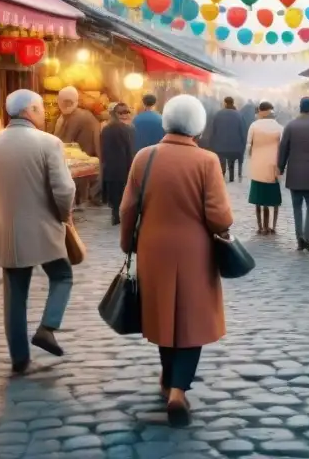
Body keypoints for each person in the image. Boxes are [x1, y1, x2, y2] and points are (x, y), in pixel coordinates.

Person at [119, 95, 234, 427]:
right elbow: (219, 217)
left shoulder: (145, 157)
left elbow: (128, 208)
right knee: (191, 319)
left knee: (162, 313)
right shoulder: (207, 161)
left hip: (153, 247)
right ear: (198, 126)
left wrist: (128, 243)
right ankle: (178, 391)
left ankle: (167, 377)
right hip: (195, 250)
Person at [0, 90, 77, 373]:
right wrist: (63, 215)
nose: (43, 114)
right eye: (41, 109)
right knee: (62, 275)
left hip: (7, 230)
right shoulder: (49, 143)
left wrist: (8, 206)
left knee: (15, 294)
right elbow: (64, 189)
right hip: (44, 226)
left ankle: (19, 359)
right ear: (30, 110)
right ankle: (47, 326)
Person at [278, 96, 309, 252]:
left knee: (297, 206)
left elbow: (283, 148)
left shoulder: (290, 126)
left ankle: (299, 237)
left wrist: (280, 166)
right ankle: (307, 237)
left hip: (295, 172)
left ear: (300, 108)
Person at [53, 86, 100, 208]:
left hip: (81, 160)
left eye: (66, 101)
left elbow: (64, 141)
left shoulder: (77, 117)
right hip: (85, 159)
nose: (63, 104)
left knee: (79, 186)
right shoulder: (74, 115)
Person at [246, 101, 284, 234]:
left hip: (258, 166)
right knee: (274, 199)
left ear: (260, 112)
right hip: (273, 166)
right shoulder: (279, 127)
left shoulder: (254, 126)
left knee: (259, 199)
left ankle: (261, 226)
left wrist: (253, 156)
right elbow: (283, 148)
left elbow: (249, 146)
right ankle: (273, 226)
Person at [100, 101, 136, 225]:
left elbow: (103, 148)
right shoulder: (128, 129)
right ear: (115, 114)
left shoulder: (106, 129)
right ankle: (121, 214)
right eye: (121, 112)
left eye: (126, 112)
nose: (124, 115)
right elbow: (130, 149)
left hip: (110, 166)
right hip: (123, 165)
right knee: (122, 190)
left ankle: (115, 213)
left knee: (114, 192)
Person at [210, 96, 246, 182]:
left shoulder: (218, 114)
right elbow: (243, 132)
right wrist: (243, 145)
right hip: (234, 145)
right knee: (231, 161)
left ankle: (221, 175)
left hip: (220, 145)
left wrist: (212, 143)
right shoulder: (239, 115)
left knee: (221, 161)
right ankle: (231, 177)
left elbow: (213, 130)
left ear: (225, 103)